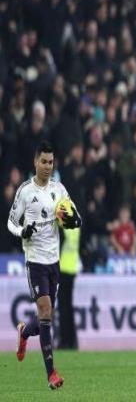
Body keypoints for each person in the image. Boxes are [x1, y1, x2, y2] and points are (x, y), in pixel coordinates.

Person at [8, 141, 82, 390]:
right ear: (35, 162)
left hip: (54, 261)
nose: (48, 166)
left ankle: (24, 332)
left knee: (45, 317)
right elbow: (10, 222)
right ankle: (51, 374)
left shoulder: (59, 190)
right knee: (46, 309)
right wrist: (22, 231)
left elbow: (76, 216)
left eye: (51, 162)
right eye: (44, 162)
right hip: (35, 261)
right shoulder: (25, 191)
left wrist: (73, 220)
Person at [57, 226, 81, 349]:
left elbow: (58, 245)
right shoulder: (76, 222)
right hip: (72, 267)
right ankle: (72, 341)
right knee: (68, 307)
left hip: (62, 267)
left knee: (63, 307)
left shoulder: (62, 223)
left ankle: (65, 341)